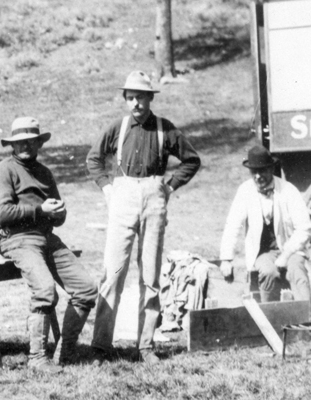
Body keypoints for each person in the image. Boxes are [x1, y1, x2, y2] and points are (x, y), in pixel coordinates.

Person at [85, 70, 201, 362]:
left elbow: (191, 160)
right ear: (125, 99)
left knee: (150, 275)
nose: (136, 103)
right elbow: (94, 159)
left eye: (141, 97)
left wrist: (170, 186)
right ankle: (100, 346)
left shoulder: (165, 128)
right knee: (113, 272)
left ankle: (145, 345)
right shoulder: (118, 127)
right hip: (122, 195)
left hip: (153, 196)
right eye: (131, 97)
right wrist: (108, 188)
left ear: (151, 98)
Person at [0, 117, 98, 372]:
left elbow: (56, 216)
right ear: (12, 145)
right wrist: (40, 209)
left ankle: (66, 352)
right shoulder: (3, 170)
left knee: (87, 289)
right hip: (17, 239)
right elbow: (3, 213)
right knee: (46, 290)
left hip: (47, 238)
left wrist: (59, 213)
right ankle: (37, 358)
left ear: (39, 143)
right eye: (20, 142)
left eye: (32, 140)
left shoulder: (44, 173)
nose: (26, 145)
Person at [219, 146, 311, 302]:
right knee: (269, 272)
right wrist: (226, 259)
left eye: (262, 171)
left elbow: (304, 229)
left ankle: (306, 320)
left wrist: (286, 255)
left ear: (271, 169)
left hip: (290, 248)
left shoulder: (288, 190)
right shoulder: (245, 191)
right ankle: (269, 319)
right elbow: (232, 225)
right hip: (263, 252)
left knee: (297, 271)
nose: (258, 176)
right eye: (254, 172)